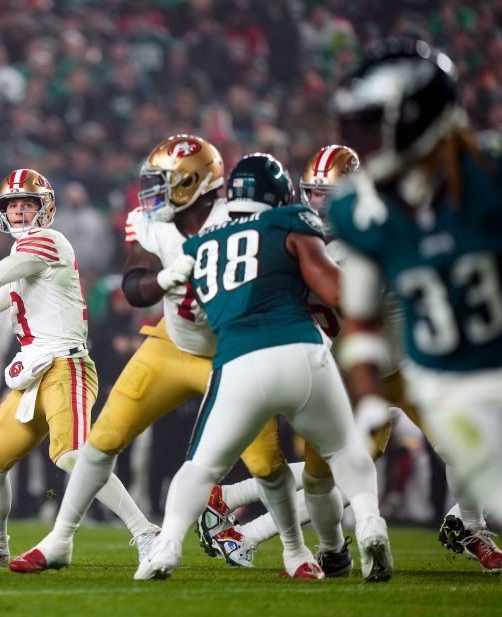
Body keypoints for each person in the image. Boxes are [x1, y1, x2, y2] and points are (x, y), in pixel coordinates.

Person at [201, 143, 502, 574]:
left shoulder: (322, 238)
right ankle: (244, 521)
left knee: (462, 447)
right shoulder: (318, 238)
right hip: (353, 373)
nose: (318, 203)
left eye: (328, 194)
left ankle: (471, 526)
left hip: (400, 368)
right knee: (338, 478)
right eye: (313, 193)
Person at [135, 153, 392, 583]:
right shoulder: (290, 221)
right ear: (282, 195)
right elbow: (334, 289)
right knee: (344, 449)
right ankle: (368, 521)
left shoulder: (201, 242)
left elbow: (199, 313)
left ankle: (166, 546)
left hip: (237, 360)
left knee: (200, 467)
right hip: (302, 351)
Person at [7, 134, 233, 573]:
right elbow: (133, 288)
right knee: (102, 440)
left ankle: (300, 547)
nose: (153, 191)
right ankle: (60, 539)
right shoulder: (152, 224)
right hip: (170, 343)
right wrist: (166, 279)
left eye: (166, 181)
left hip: (227, 350)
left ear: (194, 181)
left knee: (263, 459)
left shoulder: (235, 220)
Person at [330, 40, 502, 568]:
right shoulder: (358, 210)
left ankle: (467, 523)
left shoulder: (489, 174)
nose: (361, 140)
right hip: (452, 386)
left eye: (372, 123)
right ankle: (468, 523)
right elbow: (357, 317)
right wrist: (366, 395)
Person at [0, 168, 159, 566]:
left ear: (45, 208)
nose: (20, 212)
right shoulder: (24, 252)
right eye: (13, 205)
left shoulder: (49, 240)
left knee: (73, 456)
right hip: (33, 372)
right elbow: (6, 293)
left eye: (28, 203)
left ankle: (146, 532)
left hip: (66, 366)